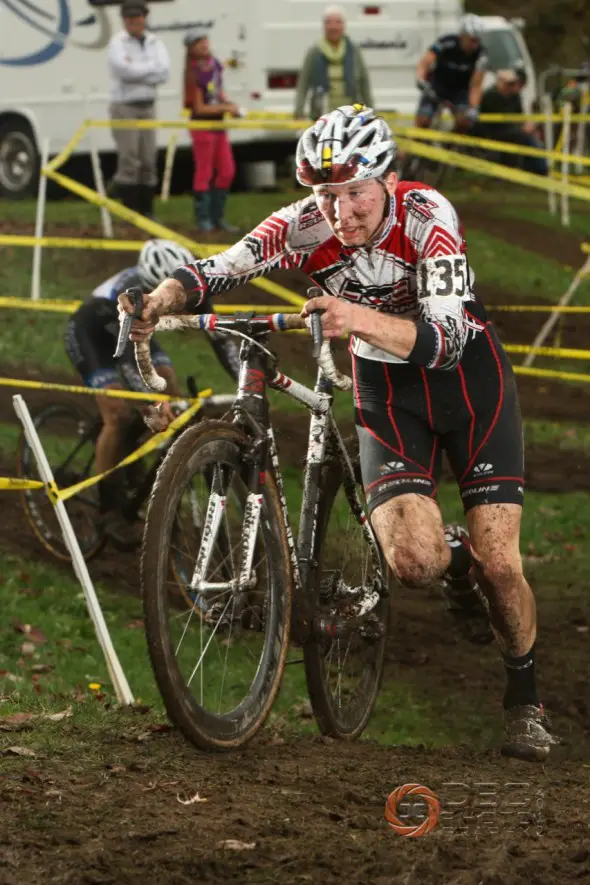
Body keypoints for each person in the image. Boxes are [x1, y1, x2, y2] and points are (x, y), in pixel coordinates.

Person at [119, 103, 557, 761]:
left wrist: (358, 316)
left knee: (501, 563)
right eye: (326, 195)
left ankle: (525, 700)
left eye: (355, 192)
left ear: (386, 179)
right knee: (413, 561)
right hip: (388, 392)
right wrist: (163, 298)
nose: (341, 211)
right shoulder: (303, 226)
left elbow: (445, 340)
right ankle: (450, 556)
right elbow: (222, 266)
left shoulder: (427, 216)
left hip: (468, 381)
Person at [65, 239, 240, 550]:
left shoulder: (190, 286)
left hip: (135, 336)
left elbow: (220, 339)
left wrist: (245, 383)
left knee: (169, 385)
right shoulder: (133, 294)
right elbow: (136, 363)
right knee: (118, 414)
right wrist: (151, 403)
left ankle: (134, 459)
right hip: (93, 332)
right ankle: (108, 509)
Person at [108, 1, 170, 218]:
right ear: (124, 20)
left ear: (145, 17)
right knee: (130, 157)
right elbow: (122, 70)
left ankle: (147, 210)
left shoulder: (155, 42)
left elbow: (164, 73)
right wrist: (149, 70)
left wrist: (136, 69)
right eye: (129, 18)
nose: (133, 21)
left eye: (137, 17)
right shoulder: (117, 42)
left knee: (148, 158)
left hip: (148, 105)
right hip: (125, 106)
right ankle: (130, 211)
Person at [183, 29, 240, 234]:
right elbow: (199, 108)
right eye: (198, 43)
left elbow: (218, 92)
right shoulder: (193, 72)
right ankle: (203, 218)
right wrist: (225, 109)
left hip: (218, 125)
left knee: (227, 170)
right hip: (202, 126)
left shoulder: (214, 65)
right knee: (204, 171)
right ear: (191, 49)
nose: (204, 45)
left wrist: (228, 104)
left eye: (205, 40)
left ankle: (218, 217)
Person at [294, 5, 373, 120]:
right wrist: (299, 111)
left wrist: (370, 111)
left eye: (337, 22)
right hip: (321, 114)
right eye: (329, 23)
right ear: (324, 26)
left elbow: (364, 83)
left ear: (343, 26)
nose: (333, 27)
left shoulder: (353, 50)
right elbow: (303, 83)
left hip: (351, 113)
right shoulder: (314, 51)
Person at [415, 13, 487, 132]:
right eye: (472, 40)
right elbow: (425, 62)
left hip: (459, 92)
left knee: (465, 121)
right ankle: (417, 146)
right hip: (437, 87)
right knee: (423, 120)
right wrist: (420, 79)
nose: (475, 45)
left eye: (478, 41)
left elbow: (476, 84)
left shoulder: (481, 54)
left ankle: (450, 145)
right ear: (463, 36)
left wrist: (474, 107)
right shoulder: (447, 43)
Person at [478, 69, 548, 176]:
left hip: (511, 130)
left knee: (531, 135)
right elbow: (497, 122)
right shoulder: (490, 96)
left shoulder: (515, 97)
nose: (513, 86)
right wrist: (522, 129)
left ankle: (536, 170)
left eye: (514, 83)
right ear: (500, 82)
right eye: (510, 84)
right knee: (526, 137)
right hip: (493, 131)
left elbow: (519, 116)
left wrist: (527, 125)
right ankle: (541, 170)